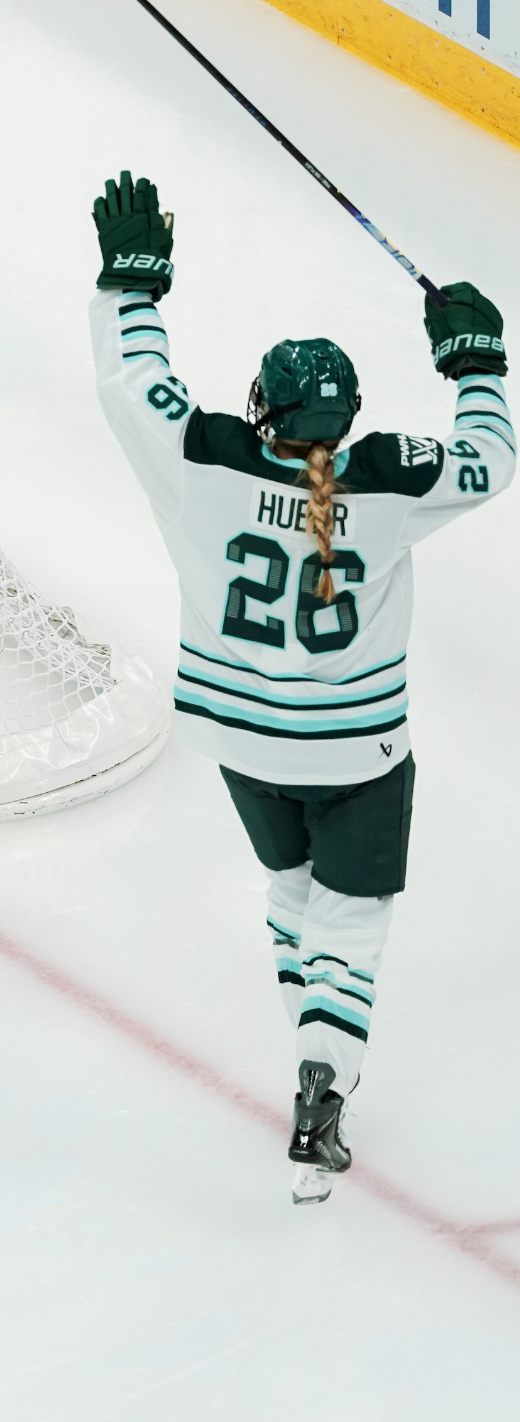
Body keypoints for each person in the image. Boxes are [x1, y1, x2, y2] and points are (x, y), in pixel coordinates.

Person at [89, 172, 514, 1203]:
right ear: (348, 416)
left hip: (239, 741)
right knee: (350, 922)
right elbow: (491, 458)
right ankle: (323, 1074)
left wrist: (131, 282)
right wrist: (476, 363)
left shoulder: (203, 454)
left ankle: (313, 1057)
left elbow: (132, 382)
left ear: (264, 410)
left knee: (294, 893)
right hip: (355, 750)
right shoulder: (392, 476)